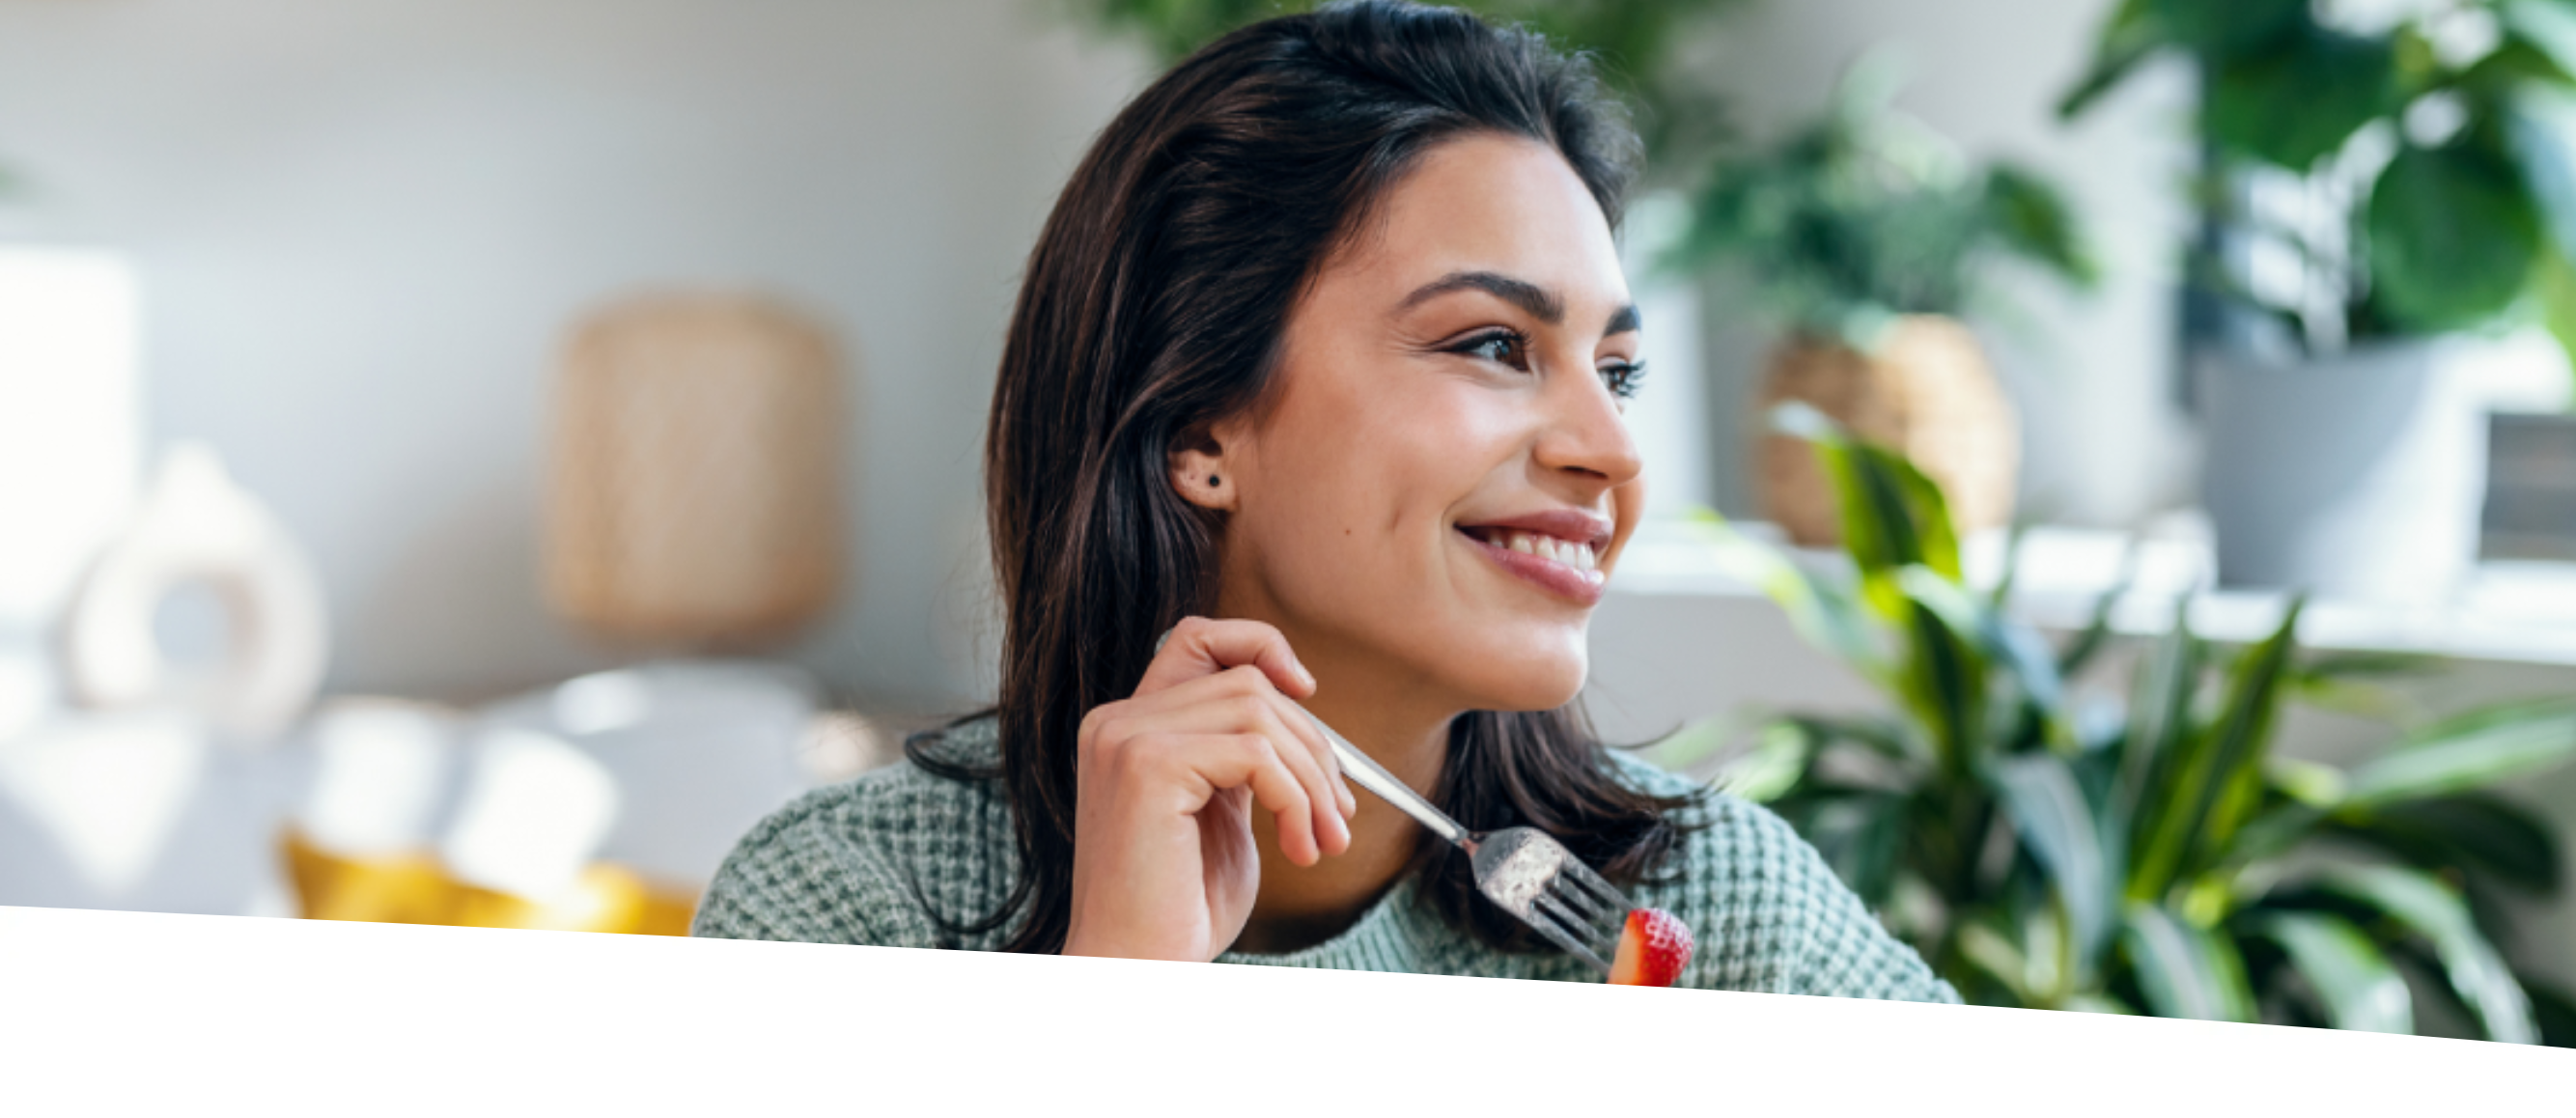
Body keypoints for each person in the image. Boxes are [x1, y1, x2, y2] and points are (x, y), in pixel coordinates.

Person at [693, 0, 1954, 1001]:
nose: (1610, 452)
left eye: (1617, 373)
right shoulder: (847, 912)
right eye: (1492, 344)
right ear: (1200, 431)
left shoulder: (1709, 911)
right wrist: (1114, 998)